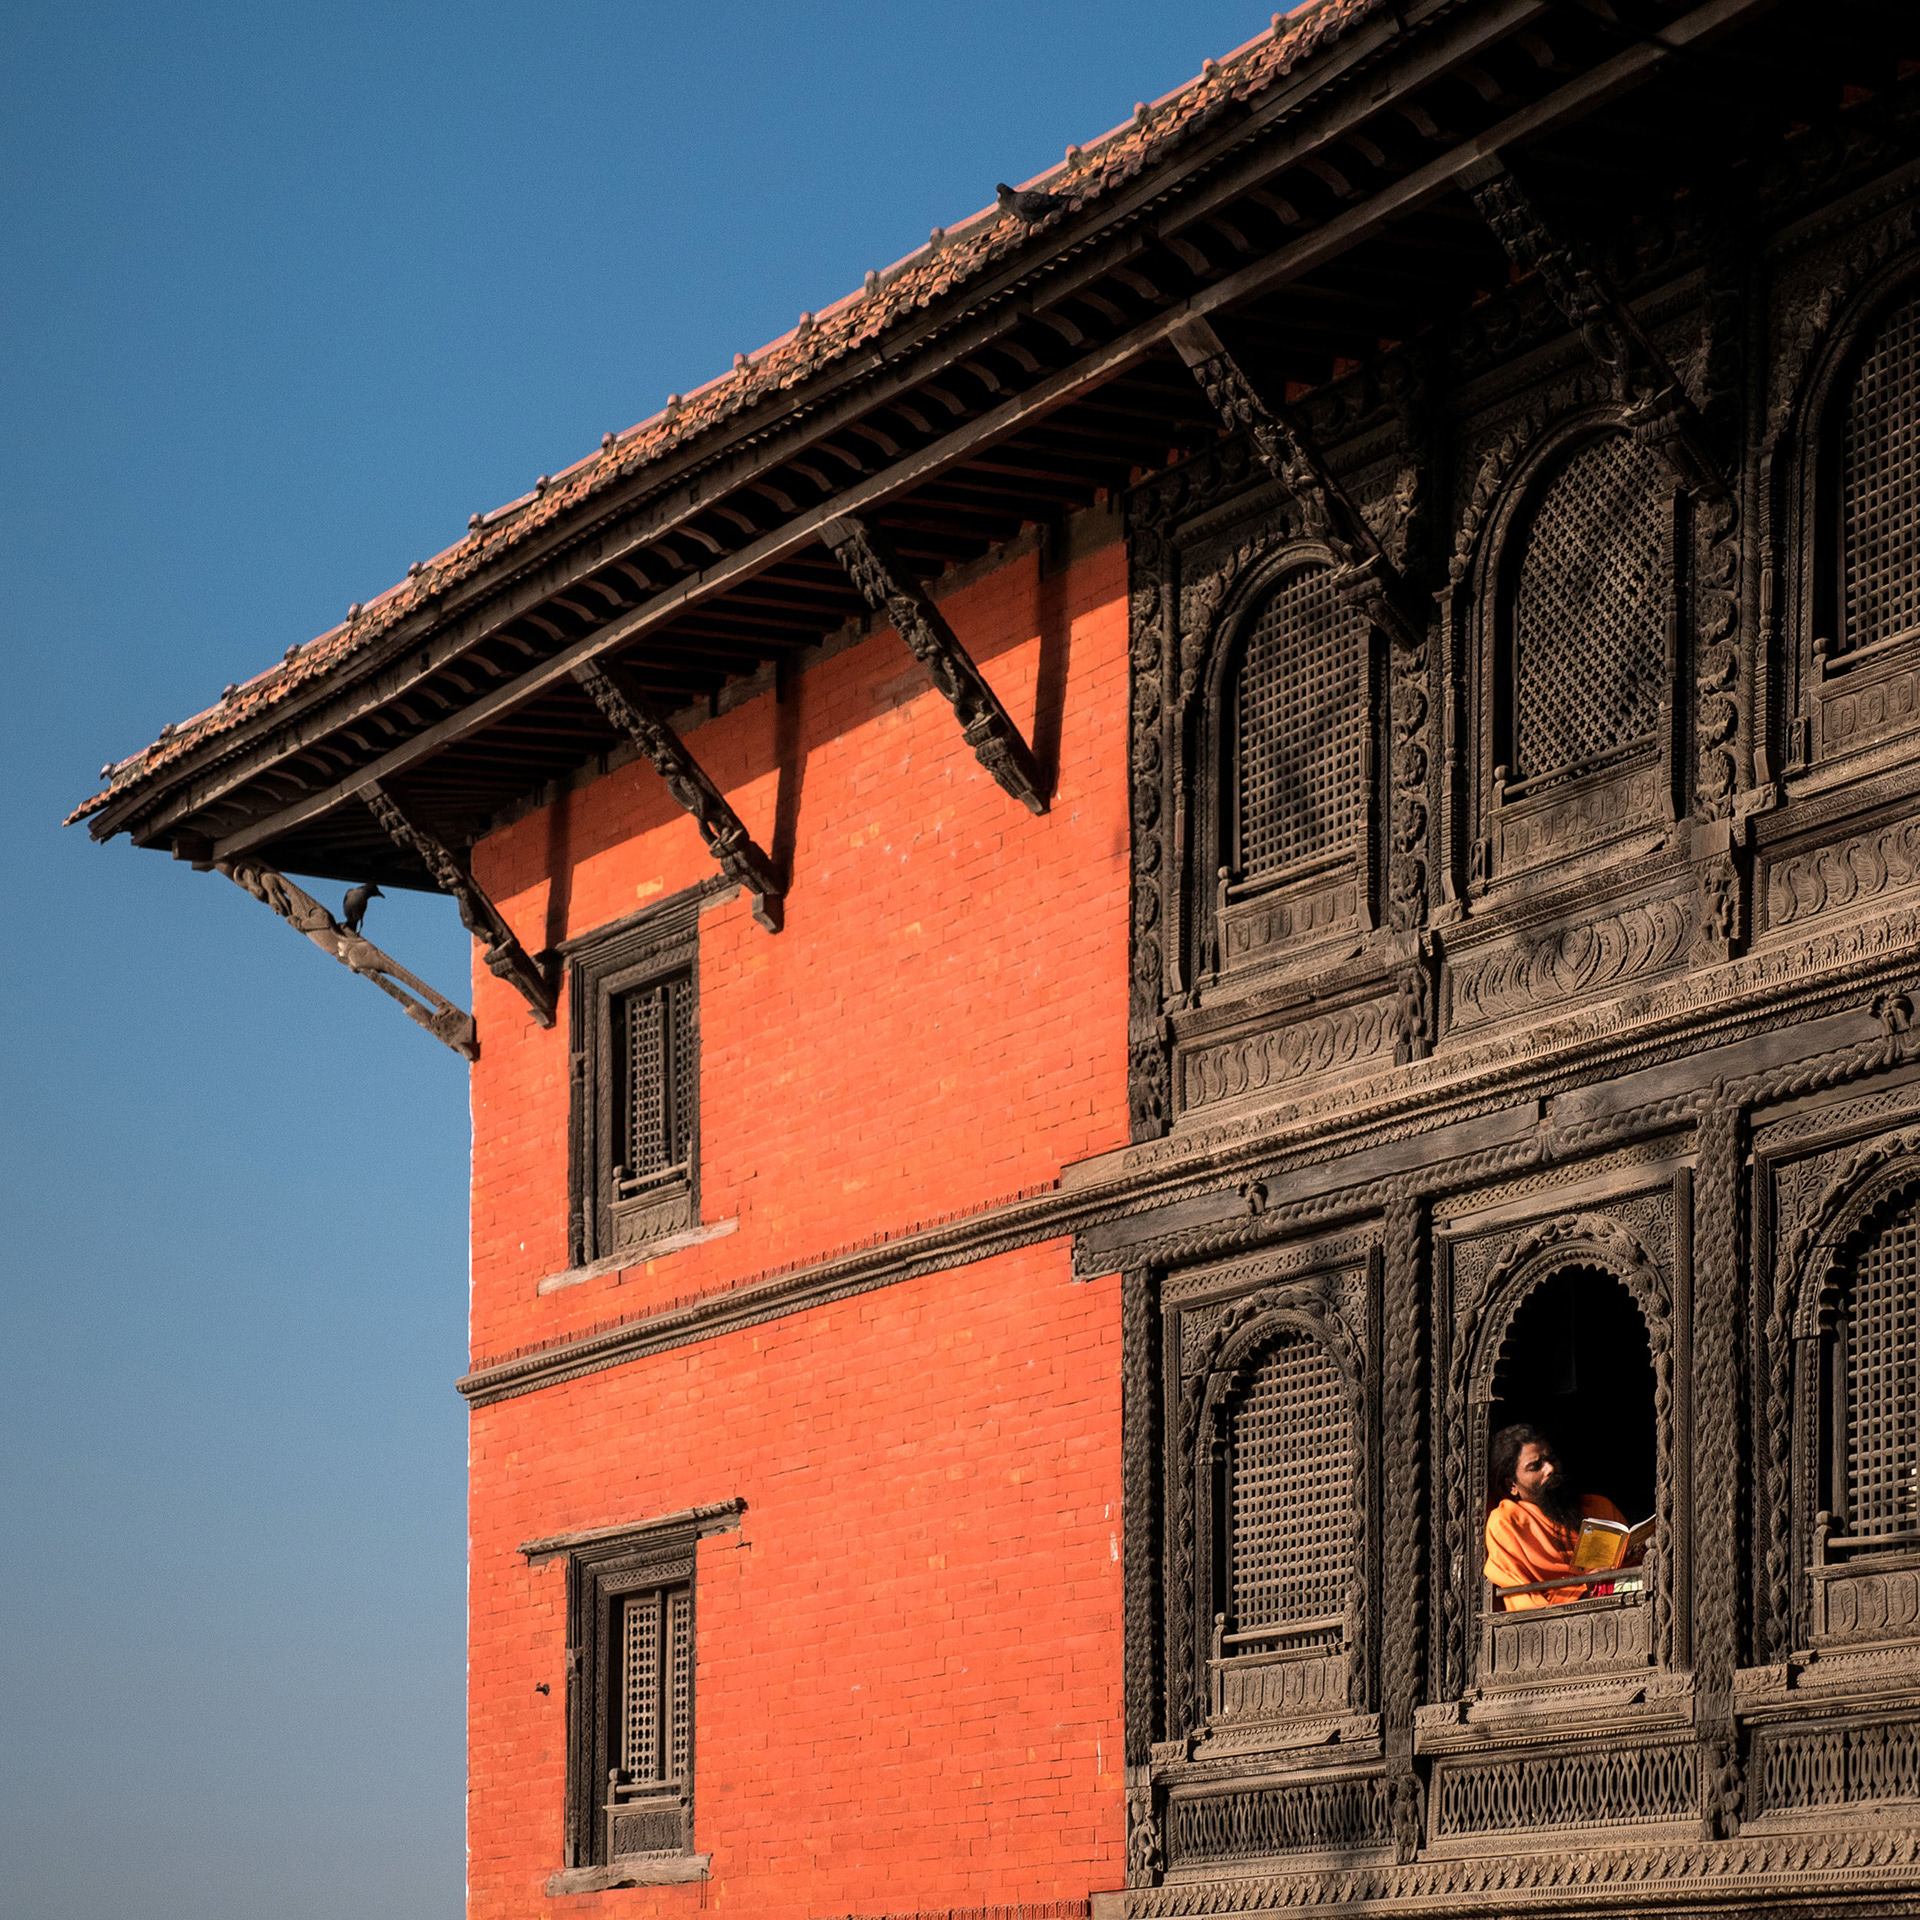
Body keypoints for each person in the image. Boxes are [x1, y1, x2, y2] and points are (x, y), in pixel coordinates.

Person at [1483, 1423, 1627, 1610]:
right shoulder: (1507, 1523)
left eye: (1551, 1459)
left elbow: (1634, 1563)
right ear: (1512, 1485)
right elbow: (1523, 1598)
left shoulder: (1598, 1507)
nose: (1550, 1468)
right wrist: (1584, 1589)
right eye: (1535, 1467)